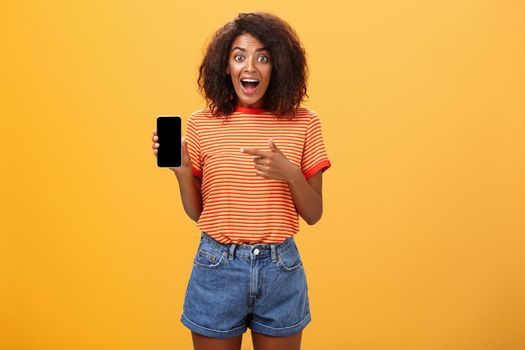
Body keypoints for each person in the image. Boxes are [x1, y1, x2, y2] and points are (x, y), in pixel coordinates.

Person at [151, 12, 331, 350]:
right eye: (239, 56)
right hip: (217, 265)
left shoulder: (305, 123)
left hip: (281, 269)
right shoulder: (202, 124)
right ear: (225, 66)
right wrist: (181, 173)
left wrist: (289, 173)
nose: (250, 67)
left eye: (262, 57)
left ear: (277, 66)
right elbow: (198, 212)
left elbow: (314, 213)